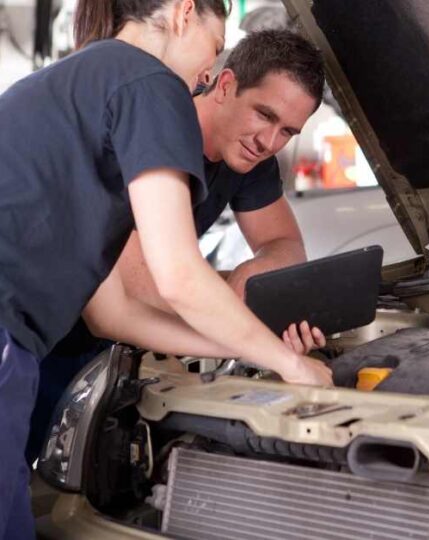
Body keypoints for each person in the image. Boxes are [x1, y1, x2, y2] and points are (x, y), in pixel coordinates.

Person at [0, 2, 331, 539]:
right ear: (182, 14)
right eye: (214, 41)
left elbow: (113, 314)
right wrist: (284, 364)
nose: (208, 66)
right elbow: (176, 275)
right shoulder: (150, 83)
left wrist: (240, 348)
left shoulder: (89, 76)